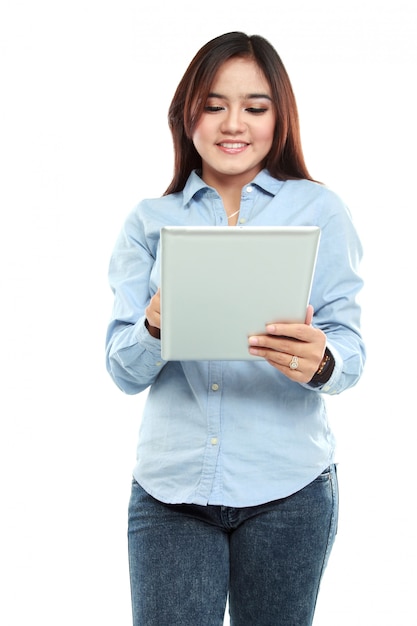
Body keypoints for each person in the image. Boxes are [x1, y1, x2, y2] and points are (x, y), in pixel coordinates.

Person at [106, 31, 365, 626]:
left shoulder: (319, 210)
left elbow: (351, 350)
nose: (234, 124)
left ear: (280, 118)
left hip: (289, 490)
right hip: (172, 494)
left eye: (255, 107)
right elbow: (121, 369)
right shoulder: (150, 221)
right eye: (215, 104)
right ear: (187, 113)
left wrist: (323, 361)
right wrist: (151, 327)